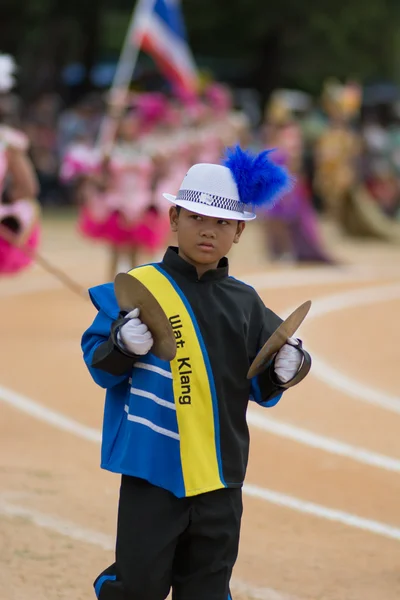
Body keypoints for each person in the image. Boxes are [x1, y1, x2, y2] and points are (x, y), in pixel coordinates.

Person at [81, 145, 311, 600]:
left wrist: (291, 368)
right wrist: (121, 345)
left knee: (207, 588)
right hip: (153, 469)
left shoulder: (246, 303)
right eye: (196, 218)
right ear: (174, 220)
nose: (208, 231)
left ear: (239, 232)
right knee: (139, 586)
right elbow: (99, 365)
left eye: (223, 223)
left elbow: (265, 380)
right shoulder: (139, 288)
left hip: (222, 472)